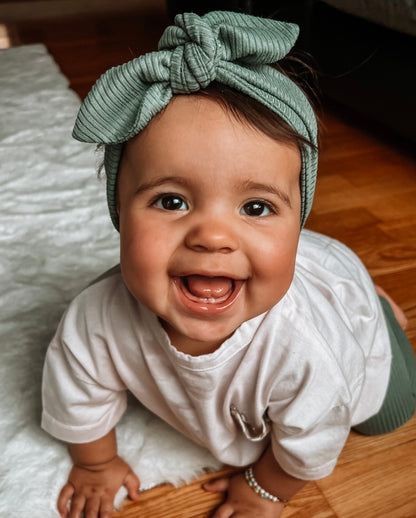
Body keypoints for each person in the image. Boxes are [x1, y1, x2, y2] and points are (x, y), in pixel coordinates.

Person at [41, 11, 416, 518]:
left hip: (339, 302)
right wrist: (94, 464)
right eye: (171, 201)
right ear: (119, 213)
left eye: (256, 208)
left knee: (387, 414)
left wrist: (264, 489)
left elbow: (313, 441)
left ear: (296, 223)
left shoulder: (309, 349)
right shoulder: (96, 317)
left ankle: (369, 305)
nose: (213, 236)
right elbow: (77, 390)